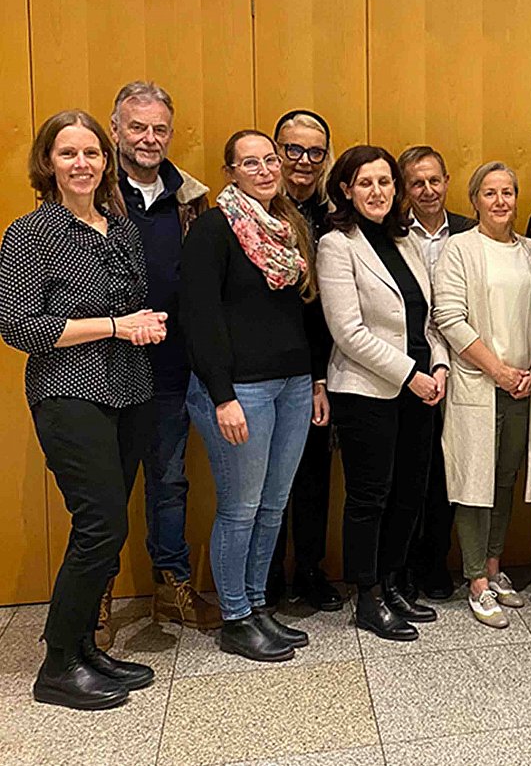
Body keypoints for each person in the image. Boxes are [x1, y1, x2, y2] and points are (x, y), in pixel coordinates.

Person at [0, 110, 165, 710]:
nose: (82, 164)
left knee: (106, 525)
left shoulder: (118, 228)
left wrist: (140, 326)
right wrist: (119, 326)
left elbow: (136, 301)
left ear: (106, 160)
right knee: (102, 526)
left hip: (128, 391)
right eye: (68, 153)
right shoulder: (30, 232)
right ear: (48, 162)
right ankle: (57, 666)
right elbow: (18, 325)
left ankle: (85, 649)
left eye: (91, 153)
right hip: (69, 393)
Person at [182, 130, 324, 662]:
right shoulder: (215, 229)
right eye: (250, 162)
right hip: (239, 390)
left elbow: (301, 314)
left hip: (290, 385)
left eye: (270, 160)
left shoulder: (287, 229)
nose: (265, 170)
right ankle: (235, 617)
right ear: (231, 171)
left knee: (272, 505)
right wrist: (222, 396)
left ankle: (258, 605)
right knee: (240, 508)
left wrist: (312, 380)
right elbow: (200, 318)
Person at [318, 145, 447, 641]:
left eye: (385, 182)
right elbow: (348, 332)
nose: (377, 191)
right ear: (347, 190)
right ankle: (367, 596)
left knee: (409, 491)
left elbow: (427, 315)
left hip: (421, 386)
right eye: (366, 183)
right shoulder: (337, 243)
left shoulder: (407, 239)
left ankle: (393, 581)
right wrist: (411, 373)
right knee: (370, 496)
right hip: (367, 390)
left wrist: (435, 363)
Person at [108, 81, 221, 639]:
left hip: (174, 367)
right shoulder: (92, 195)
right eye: (137, 127)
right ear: (116, 131)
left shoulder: (190, 198)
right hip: (104, 369)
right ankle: (97, 595)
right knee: (108, 488)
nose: (149, 138)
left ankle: (171, 585)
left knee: (170, 482)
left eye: (159, 129)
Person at [433, 161, 531, 629]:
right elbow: (449, 318)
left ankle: (496, 567)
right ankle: (475, 578)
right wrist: (498, 370)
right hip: (478, 383)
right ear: (475, 200)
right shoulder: (459, 249)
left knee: (504, 478)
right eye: (490, 193)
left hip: (522, 385)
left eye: (508, 193)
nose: (500, 201)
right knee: (473, 484)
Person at [267, 108, 341, 612]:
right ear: (276, 151)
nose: (303, 161)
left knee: (314, 476)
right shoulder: (254, 212)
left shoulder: (336, 214)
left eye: (315, 152)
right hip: (266, 367)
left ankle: (310, 571)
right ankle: (266, 579)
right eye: (293, 149)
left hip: (320, 367)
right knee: (267, 481)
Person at [396, 144, 476, 601]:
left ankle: (434, 562)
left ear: (447, 181)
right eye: (416, 183)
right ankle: (402, 565)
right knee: (409, 471)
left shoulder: (468, 230)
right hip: (405, 367)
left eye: (434, 180)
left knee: (449, 473)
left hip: (461, 367)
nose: (427, 190)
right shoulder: (391, 233)